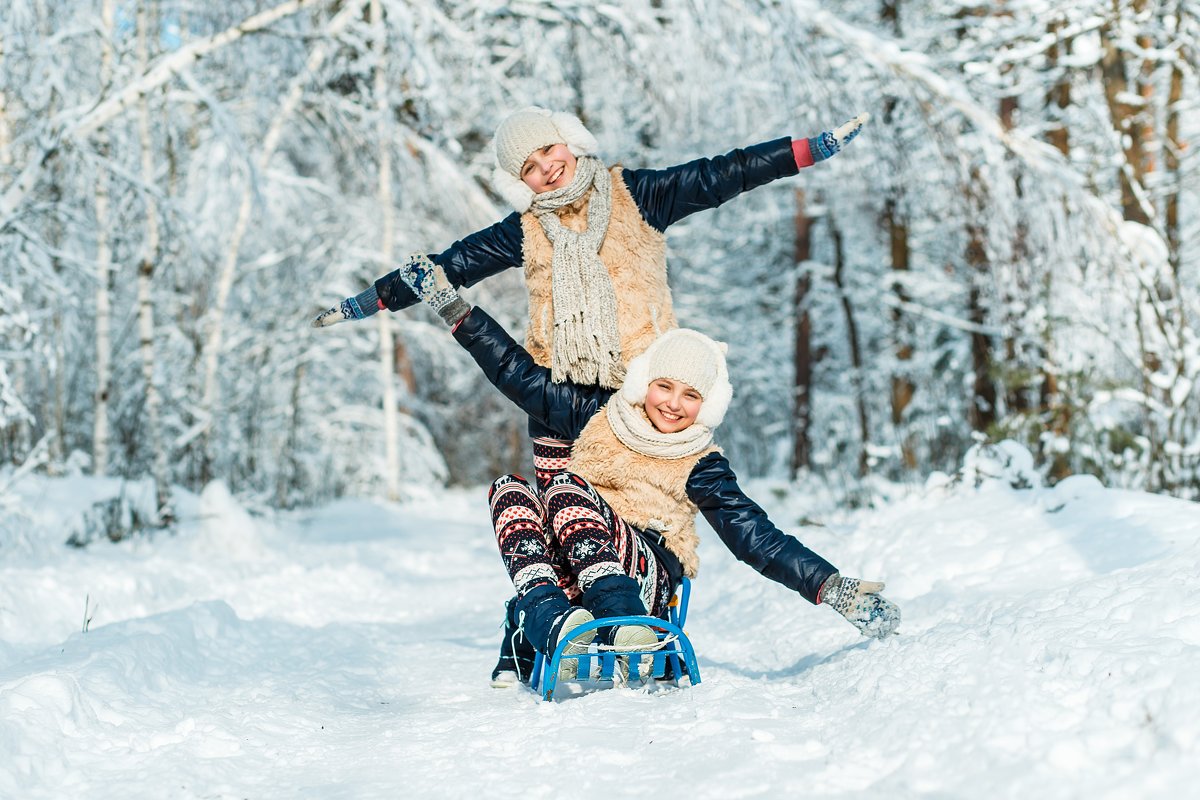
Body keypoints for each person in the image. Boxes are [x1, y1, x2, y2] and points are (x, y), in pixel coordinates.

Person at [394, 254, 901, 687]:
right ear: (645, 383)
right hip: (576, 568)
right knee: (508, 489)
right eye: (666, 386)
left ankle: (617, 620)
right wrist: (451, 306)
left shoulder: (700, 462)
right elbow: (516, 375)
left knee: (568, 487)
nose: (674, 404)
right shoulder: (602, 417)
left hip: (646, 579)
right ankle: (554, 621)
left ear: (707, 406)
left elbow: (757, 538)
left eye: (691, 395)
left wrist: (832, 587)